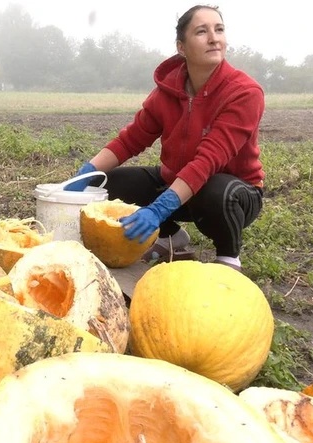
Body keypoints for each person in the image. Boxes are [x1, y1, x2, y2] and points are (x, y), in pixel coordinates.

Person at [64, 4, 265, 272]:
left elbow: (207, 161)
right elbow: (129, 140)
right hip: (179, 182)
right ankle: (171, 237)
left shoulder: (245, 92)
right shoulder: (166, 93)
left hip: (235, 192)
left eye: (219, 29)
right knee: (107, 186)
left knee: (216, 191)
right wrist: (86, 173)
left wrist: (160, 209)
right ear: (182, 47)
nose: (214, 38)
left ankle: (228, 258)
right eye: (202, 32)